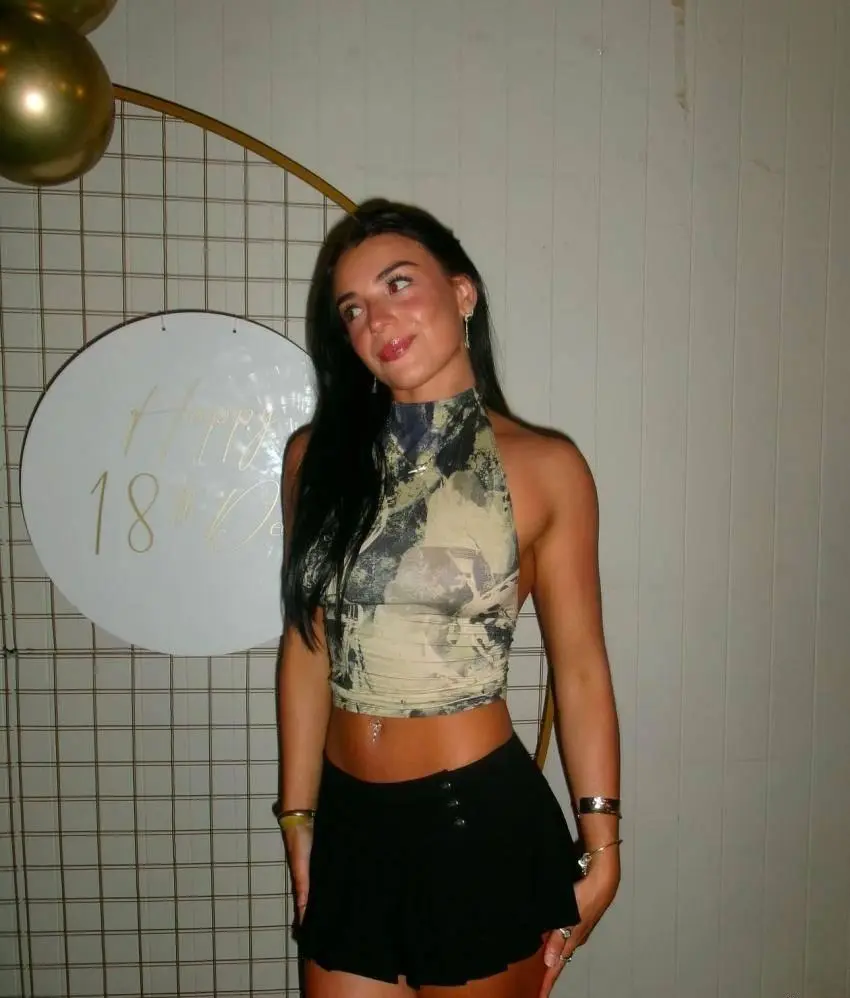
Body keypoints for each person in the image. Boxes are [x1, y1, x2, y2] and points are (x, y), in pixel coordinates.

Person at [275, 199, 621, 998]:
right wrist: (299, 817)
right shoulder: (314, 460)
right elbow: (306, 646)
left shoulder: (545, 467)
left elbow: (580, 669)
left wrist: (602, 848)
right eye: (352, 308)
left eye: (398, 284)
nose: (375, 319)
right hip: (349, 824)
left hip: (477, 824)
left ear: (463, 293)